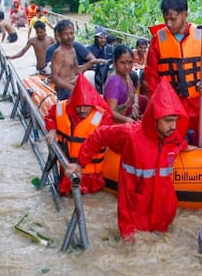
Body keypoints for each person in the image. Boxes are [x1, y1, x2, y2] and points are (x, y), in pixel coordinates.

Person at [65, 80, 189, 241]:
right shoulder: (131, 133)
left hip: (162, 210)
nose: (173, 125)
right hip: (133, 208)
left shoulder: (173, 137)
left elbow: (182, 145)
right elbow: (99, 135)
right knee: (130, 249)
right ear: (154, 117)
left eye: (175, 120)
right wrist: (80, 163)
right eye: (168, 121)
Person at [144, 0, 202, 147]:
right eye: (165, 19)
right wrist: (158, 102)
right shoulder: (158, 40)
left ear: (185, 15)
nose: (169, 24)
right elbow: (151, 75)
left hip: (198, 101)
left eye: (173, 19)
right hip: (172, 104)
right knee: (172, 142)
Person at [44, 73, 113, 195]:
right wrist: (52, 129)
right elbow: (49, 117)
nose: (82, 110)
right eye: (78, 106)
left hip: (91, 175)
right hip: (67, 170)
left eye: (86, 106)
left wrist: (80, 164)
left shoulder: (103, 118)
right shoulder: (60, 108)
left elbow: (97, 143)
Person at [49, 20, 105, 101]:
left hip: (74, 84)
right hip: (64, 90)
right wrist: (71, 88)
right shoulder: (59, 53)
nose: (70, 37)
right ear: (59, 35)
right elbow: (54, 78)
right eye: (66, 34)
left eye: (71, 33)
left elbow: (76, 70)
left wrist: (91, 63)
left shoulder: (72, 50)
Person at [103, 45, 149, 123]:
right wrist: (128, 120)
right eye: (122, 63)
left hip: (127, 117)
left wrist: (136, 103)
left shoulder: (126, 76)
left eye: (130, 62)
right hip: (116, 125)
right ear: (114, 62)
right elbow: (110, 112)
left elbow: (135, 92)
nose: (127, 66)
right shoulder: (114, 82)